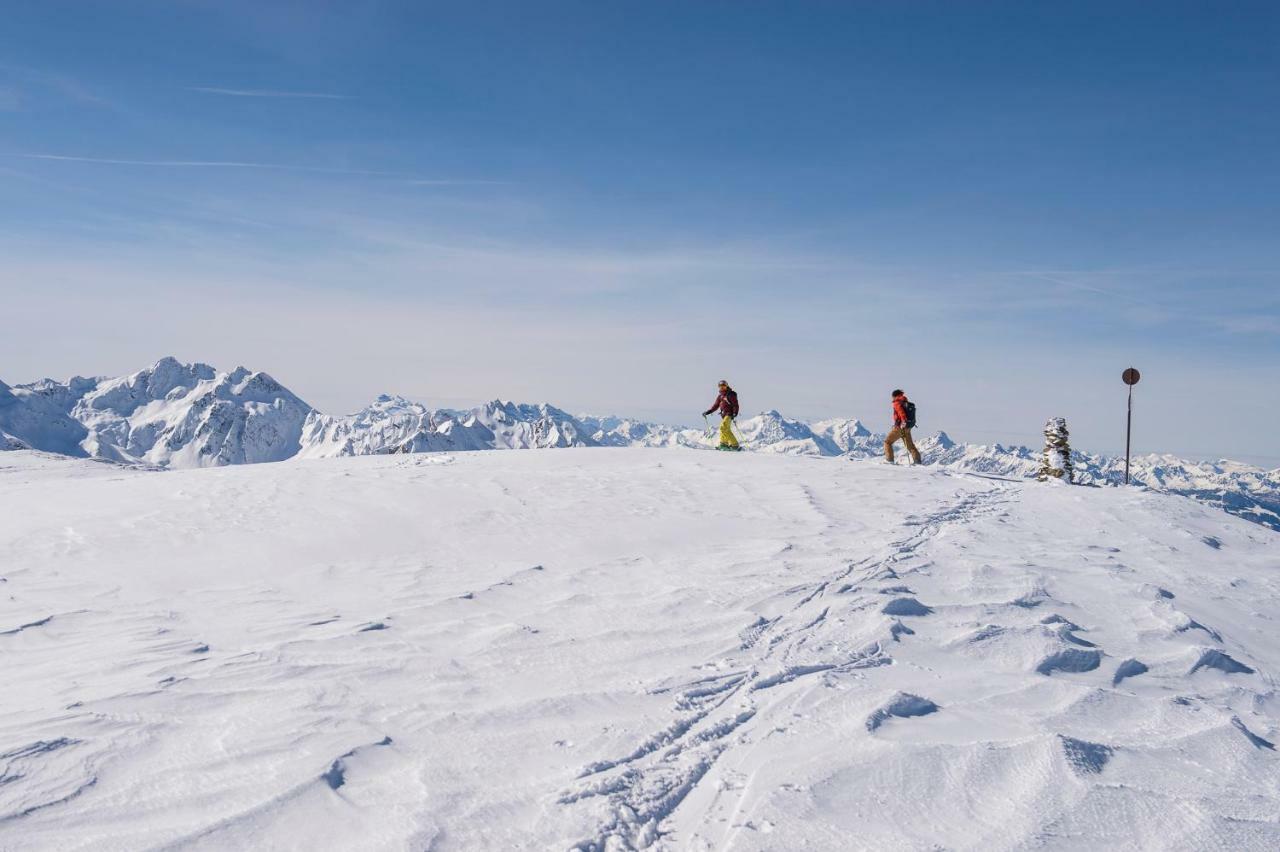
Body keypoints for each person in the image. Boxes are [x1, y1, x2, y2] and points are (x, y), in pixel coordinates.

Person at [884, 388, 921, 464]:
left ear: (894, 396)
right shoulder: (905, 402)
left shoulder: (897, 402)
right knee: (910, 446)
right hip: (908, 427)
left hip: (900, 427)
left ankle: (889, 460)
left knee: (887, 442)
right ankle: (917, 462)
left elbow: (901, 412)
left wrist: (903, 421)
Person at [703, 380, 741, 451]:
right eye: (720, 387)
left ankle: (735, 445)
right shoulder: (720, 396)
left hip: (729, 414)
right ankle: (724, 444)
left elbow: (735, 405)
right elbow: (716, 405)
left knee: (723, 427)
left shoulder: (730, 394)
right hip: (724, 415)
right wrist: (709, 411)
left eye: (724, 386)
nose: (722, 388)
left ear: (727, 386)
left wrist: (735, 413)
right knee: (725, 429)